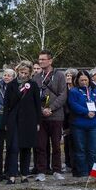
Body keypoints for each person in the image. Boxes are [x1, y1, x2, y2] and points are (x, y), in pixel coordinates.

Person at [4, 61, 41, 184]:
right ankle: (12, 175)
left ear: (29, 73)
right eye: (21, 72)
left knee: (26, 148)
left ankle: (24, 175)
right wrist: (5, 121)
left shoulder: (33, 85)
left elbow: (37, 104)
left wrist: (38, 122)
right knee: (14, 147)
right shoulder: (11, 85)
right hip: (14, 119)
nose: (23, 75)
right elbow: (6, 104)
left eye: (26, 73)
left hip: (29, 120)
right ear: (17, 71)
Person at [33, 50, 67, 181]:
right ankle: (41, 170)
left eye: (43, 59)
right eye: (39, 59)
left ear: (50, 61)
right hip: (41, 117)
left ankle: (57, 170)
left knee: (56, 145)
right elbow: (34, 97)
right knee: (41, 145)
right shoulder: (36, 78)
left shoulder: (59, 76)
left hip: (56, 116)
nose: (41, 61)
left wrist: (51, 108)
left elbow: (63, 95)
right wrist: (42, 109)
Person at [67, 69, 96, 177]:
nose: (84, 82)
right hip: (79, 125)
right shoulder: (74, 91)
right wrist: (86, 112)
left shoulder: (94, 91)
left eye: (85, 80)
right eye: (81, 80)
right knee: (80, 149)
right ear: (77, 80)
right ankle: (83, 172)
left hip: (93, 125)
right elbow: (73, 105)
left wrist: (94, 112)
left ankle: (93, 172)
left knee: (93, 150)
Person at [63, 68, 77, 173]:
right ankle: (68, 163)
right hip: (65, 119)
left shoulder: (77, 89)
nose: (68, 77)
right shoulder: (63, 88)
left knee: (74, 143)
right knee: (67, 143)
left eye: (70, 75)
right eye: (67, 75)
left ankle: (74, 164)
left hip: (75, 118)